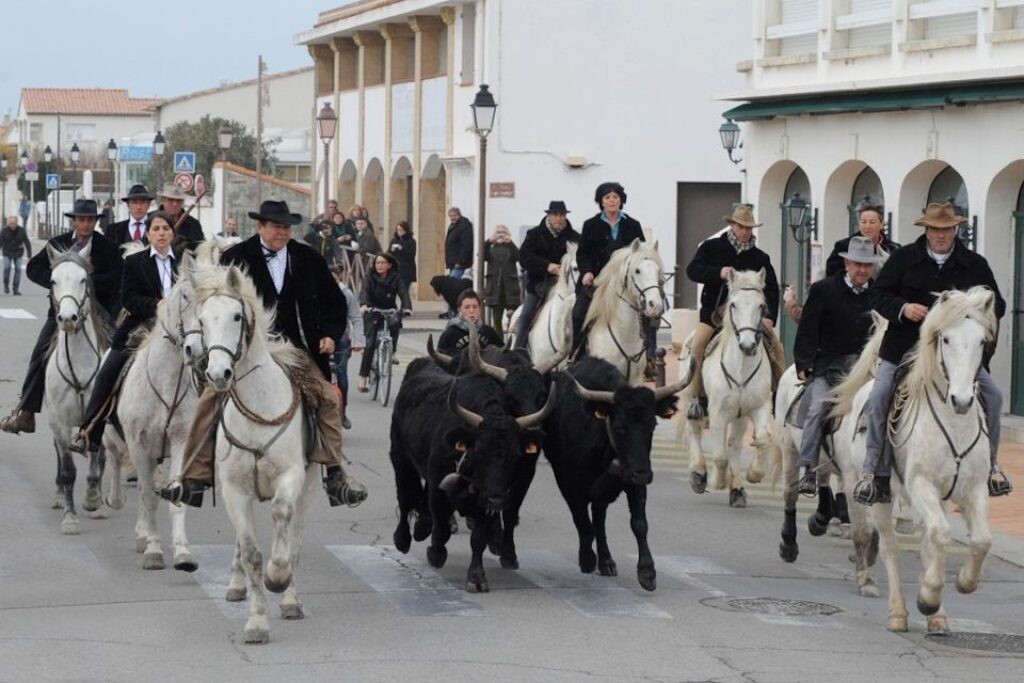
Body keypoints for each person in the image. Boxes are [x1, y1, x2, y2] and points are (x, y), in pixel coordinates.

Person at [157, 200, 367, 509]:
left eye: (286, 227)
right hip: (245, 349)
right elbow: (213, 303)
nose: (282, 232)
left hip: (296, 349)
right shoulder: (235, 258)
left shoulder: (307, 258)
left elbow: (334, 302)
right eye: (276, 226)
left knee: (327, 397)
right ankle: (194, 477)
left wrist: (330, 335)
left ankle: (335, 473)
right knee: (208, 400)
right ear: (260, 227)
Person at [854, 202, 1012, 505]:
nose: (941, 235)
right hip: (905, 347)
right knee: (879, 395)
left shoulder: (975, 264)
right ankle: (874, 471)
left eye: (946, 229)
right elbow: (878, 294)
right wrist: (903, 308)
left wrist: (972, 308)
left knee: (993, 396)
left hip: (956, 355)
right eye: (935, 230)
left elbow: (998, 306)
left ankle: (990, 467)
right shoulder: (903, 259)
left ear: (955, 230)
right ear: (926, 230)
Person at [0, 199, 123, 434]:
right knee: (39, 354)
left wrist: (86, 283)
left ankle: (119, 416)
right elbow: (33, 268)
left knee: (118, 352)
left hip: (96, 310)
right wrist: (60, 283)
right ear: (74, 221)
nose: (85, 225)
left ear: (95, 222)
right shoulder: (58, 243)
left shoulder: (107, 246)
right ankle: (26, 411)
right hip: (61, 311)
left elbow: (118, 276)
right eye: (81, 220)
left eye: (89, 220)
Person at [71, 213, 182, 452]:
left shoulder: (184, 262)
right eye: (156, 228)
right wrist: (156, 305)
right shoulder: (135, 261)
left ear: (173, 233)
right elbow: (128, 298)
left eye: (166, 228)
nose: (161, 233)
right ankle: (90, 429)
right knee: (109, 369)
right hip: (142, 325)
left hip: (181, 329)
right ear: (149, 234)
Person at [792, 236, 881, 495]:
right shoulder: (823, 290)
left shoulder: (878, 295)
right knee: (817, 408)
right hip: (829, 366)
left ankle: (878, 470)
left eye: (867, 265)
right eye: (857, 265)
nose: (862, 270)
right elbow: (807, 330)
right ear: (846, 264)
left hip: (866, 370)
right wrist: (804, 363)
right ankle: (807, 467)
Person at [684, 204, 783, 419]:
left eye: (749, 228)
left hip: (751, 318)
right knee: (698, 345)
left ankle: (777, 397)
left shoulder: (760, 257)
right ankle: (696, 398)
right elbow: (692, 270)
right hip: (715, 314)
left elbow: (773, 288)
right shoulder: (711, 247)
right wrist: (717, 272)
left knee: (777, 348)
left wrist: (769, 317)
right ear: (732, 225)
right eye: (741, 226)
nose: (745, 231)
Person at [572, 182, 645, 349]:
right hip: (596, 282)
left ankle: (649, 355)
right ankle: (575, 354)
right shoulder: (590, 224)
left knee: (649, 313)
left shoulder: (633, 225)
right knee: (578, 315)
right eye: (607, 197)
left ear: (621, 200)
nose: (612, 200)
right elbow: (582, 253)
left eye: (615, 197)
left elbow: (641, 253)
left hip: (625, 282)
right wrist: (586, 272)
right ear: (601, 201)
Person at [515, 200, 579, 350]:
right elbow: (523, 257)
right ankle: (517, 350)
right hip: (539, 284)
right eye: (555, 214)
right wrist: (546, 266)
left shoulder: (574, 238)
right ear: (548, 216)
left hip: (568, 286)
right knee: (526, 316)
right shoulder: (534, 234)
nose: (558, 218)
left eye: (562, 215)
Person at [357, 252, 412, 392]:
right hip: (372, 311)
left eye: (382, 263)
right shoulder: (369, 277)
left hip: (389, 309)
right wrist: (364, 305)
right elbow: (364, 292)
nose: (379, 265)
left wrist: (406, 307)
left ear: (389, 265)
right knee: (369, 345)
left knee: (395, 322)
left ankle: (392, 351)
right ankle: (363, 378)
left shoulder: (396, 278)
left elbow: (403, 293)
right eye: (377, 263)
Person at [330, 261, 364, 430]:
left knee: (342, 377)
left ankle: (342, 412)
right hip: (319, 341)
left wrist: (358, 341)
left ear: (339, 278)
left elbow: (356, 318)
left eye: (333, 279)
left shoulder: (346, 294)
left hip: (341, 341)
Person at [825, 204, 899, 278]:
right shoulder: (844, 246)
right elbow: (832, 276)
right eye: (863, 222)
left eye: (872, 222)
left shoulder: (893, 248)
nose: (867, 226)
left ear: (881, 224)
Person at [437, 289, 503, 355]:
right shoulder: (450, 334)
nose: (471, 311)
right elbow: (439, 358)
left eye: (475, 307)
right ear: (460, 310)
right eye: (467, 307)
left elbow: (503, 354)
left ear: (480, 309)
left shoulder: (489, 332)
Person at [483, 224, 520, 338]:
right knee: (497, 321)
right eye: (498, 232)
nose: (500, 235)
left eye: (503, 232)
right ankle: (499, 343)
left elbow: (518, 256)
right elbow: (482, 254)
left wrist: (511, 243)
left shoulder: (511, 248)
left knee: (513, 320)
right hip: (495, 291)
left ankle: (512, 340)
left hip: (510, 289)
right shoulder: (490, 249)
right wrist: (489, 241)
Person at [443, 207, 474, 318]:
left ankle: (453, 311)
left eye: (454, 215)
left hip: (460, 264)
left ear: (459, 214)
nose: (452, 218)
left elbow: (466, 245)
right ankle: (452, 310)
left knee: (453, 288)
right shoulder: (454, 226)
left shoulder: (464, 226)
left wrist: (460, 261)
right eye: (450, 216)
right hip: (454, 263)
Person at [156, 183, 204, 250]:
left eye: (178, 200)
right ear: (163, 200)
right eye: (171, 199)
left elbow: (200, 249)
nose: (175, 204)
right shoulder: (151, 220)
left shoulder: (193, 224)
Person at [1, 216, 32, 295]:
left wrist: (29, 255)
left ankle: (15, 289)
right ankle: (6, 285)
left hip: (18, 253)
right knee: (7, 268)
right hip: (7, 252)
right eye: (11, 224)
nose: (12, 225)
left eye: (14, 223)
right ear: (8, 223)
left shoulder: (21, 230)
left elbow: (27, 243)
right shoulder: (4, 231)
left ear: (17, 223)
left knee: (18, 270)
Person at [389, 220, 417, 296]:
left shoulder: (411, 241)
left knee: (404, 290)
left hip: (406, 268)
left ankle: (405, 306)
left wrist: (402, 249)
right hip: (395, 268)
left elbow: (411, 255)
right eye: (398, 230)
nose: (399, 232)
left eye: (401, 230)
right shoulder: (394, 240)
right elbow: (389, 255)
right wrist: (391, 250)